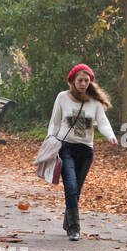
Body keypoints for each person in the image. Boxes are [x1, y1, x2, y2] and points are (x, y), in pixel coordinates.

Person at [47, 63, 118, 241]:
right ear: (72, 81)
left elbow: (102, 122)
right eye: (80, 80)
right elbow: (54, 122)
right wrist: (50, 141)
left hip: (86, 150)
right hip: (66, 148)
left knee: (76, 189)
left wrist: (111, 136)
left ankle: (68, 220)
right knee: (70, 186)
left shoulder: (94, 102)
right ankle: (74, 228)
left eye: (87, 80)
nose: (83, 83)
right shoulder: (62, 97)